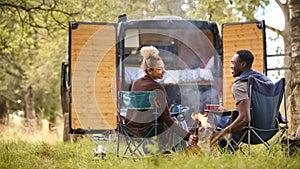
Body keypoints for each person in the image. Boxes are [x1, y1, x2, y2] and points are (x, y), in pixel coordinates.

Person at [125, 46, 198, 152]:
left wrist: (167, 109)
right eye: (159, 69)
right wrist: (188, 136)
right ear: (149, 71)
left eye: (163, 67)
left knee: (173, 117)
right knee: (179, 120)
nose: (164, 71)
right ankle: (184, 151)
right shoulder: (157, 88)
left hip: (132, 127)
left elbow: (143, 108)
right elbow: (166, 119)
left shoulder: (136, 83)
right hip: (150, 129)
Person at [210, 50, 278, 147]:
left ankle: (227, 151)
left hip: (252, 131)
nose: (231, 66)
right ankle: (230, 147)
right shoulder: (265, 80)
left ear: (243, 64)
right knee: (229, 115)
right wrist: (228, 111)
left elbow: (245, 118)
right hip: (270, 129)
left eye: (233, 63)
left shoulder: (240, 85)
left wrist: (221, 133)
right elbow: (255, 109)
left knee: (220, 118)